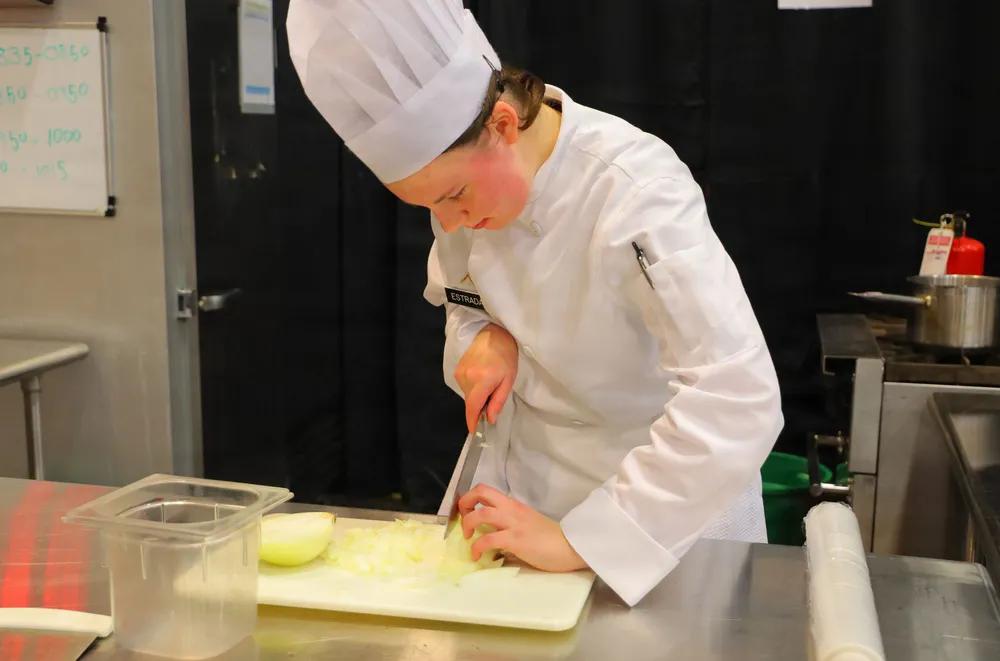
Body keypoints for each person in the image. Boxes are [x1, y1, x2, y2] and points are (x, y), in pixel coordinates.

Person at [287, 0, 783, 606]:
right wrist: (480, 340)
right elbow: (464, 301)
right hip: (525, 495)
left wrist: (586, 542)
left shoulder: (635, 189)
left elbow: (736, 394)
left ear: (502, 124)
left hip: (661, 514)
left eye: (455, 195)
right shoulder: (466, 185)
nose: (450, 221)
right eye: (429, 207)